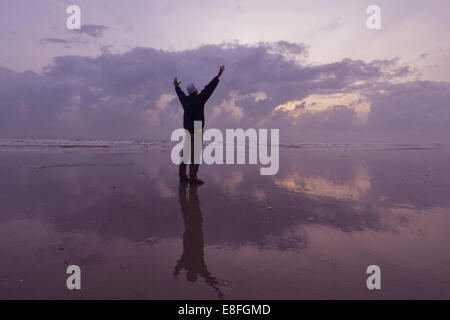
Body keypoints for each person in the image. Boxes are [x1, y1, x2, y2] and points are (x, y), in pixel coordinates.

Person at [173, 65, 225, 185]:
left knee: (185, 154)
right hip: (197, 130)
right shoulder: (200, 98)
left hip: (187, 130)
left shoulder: (185, 101)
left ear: (189, 92)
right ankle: (193, 177)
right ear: (195, 90)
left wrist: (176, 86)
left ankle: (182, 176)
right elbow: (209, 88)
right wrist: (217, 77)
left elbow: (180, 94)